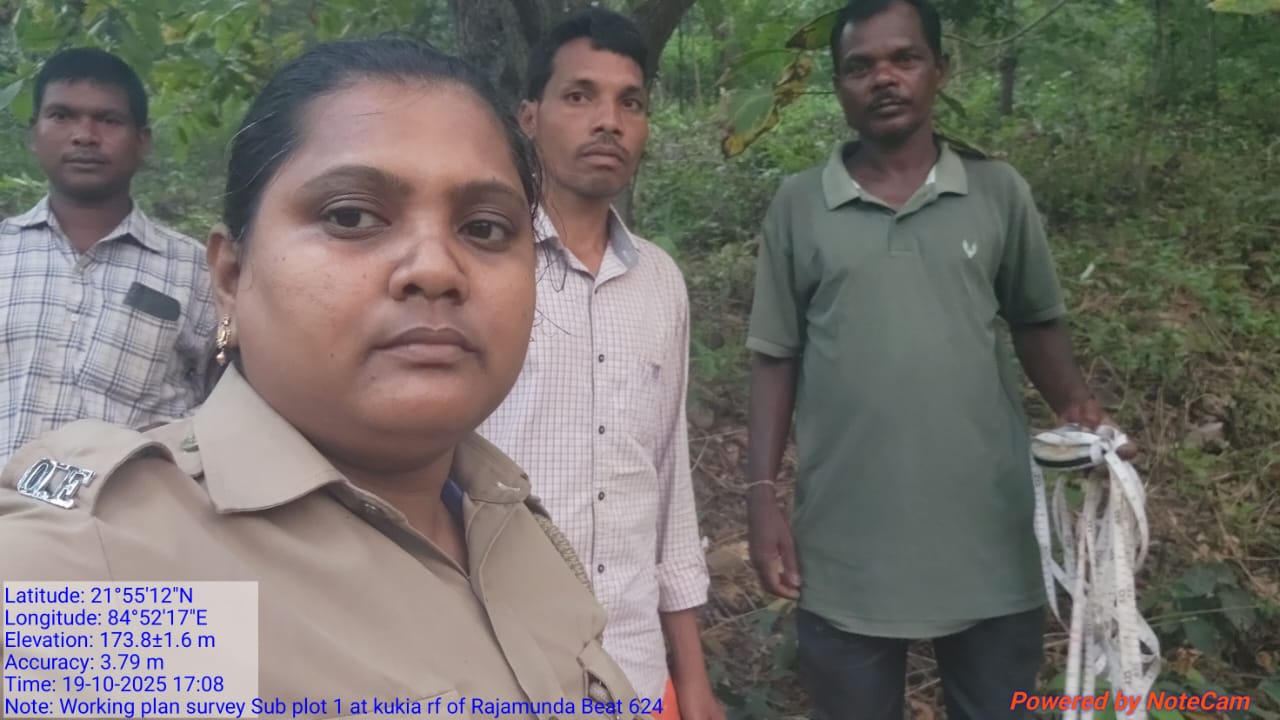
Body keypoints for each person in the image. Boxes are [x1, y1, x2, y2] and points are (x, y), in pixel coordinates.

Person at [0, 37, 648, 715]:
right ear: (230, 278)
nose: (436, 268)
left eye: (485, 229)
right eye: (351, 217)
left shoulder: (519, 531)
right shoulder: (117, 565)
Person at [743, 1, 1138, 718]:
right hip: (847, 546)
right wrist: (761, 493)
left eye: (905, 58)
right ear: (839, 87)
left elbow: (1034, 319)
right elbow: (776, 356)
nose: (883, 79)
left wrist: (1076, 406)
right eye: (860, 66)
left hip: (988, 538)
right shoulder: (799, 206)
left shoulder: (997, 191)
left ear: (940, 71)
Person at [478, 8, 720, 720]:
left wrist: (693, 679)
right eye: (580, 96)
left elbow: (667, 481)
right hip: (500, 669)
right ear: (529, 116)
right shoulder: (482, 263)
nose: (608, 121)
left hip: (634, 668)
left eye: (630, 102)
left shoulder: (660, 281)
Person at [0, 47, 217, 469]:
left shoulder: (193, 269)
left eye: (108, 120)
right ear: (34, 133)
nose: (84, 135)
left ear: (142, 142)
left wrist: (173, 445)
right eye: (62, 116)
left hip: (133, 505)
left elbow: (230, 399)